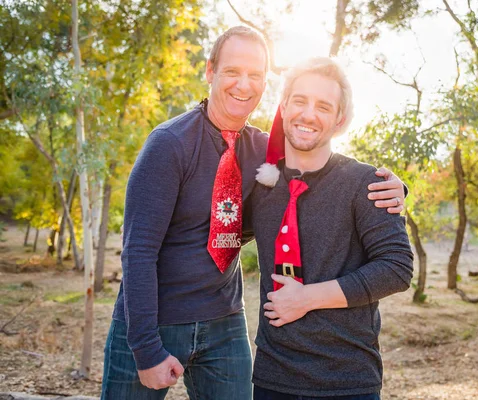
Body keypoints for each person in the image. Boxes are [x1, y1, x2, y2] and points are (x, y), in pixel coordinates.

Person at [101, 26, 408, 400]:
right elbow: (138, 250)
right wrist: (146, 347)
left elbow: (324, 172)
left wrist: (394, 187)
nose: (243, 85)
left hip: (224, 323)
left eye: (255, 75)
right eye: (232, 72)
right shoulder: (169, 144)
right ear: (210, 71)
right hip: (156, 319)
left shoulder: (266, 150)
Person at [250, 57, 414, 400]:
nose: (308, 114)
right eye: (300, 101)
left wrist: (306, 299)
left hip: (346, 381)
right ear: (284, 107)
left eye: (323, 106)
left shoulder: (367, 183)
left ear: (340, 120)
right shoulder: (262, 185)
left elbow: (397, 268)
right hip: (272, 377)